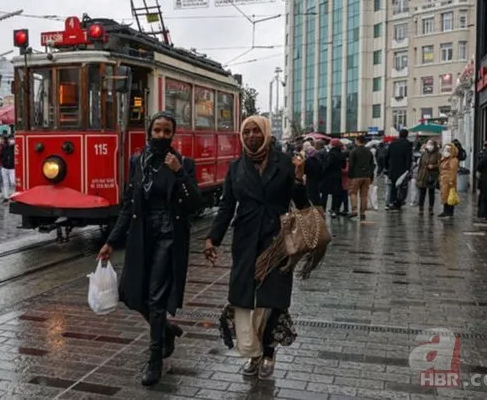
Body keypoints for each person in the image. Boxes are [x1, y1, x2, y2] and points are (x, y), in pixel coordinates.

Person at [97, 111, 202, 386]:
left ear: (173, 134)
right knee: (130, 293)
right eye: (157, 130)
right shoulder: (138, 162)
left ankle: (155, 358)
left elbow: (195, 204)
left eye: (167, 132)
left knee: (156, 299)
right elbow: (129, 204)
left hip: (169, 235)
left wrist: (178, 173)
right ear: (149, 132)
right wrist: (110, 241)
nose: (161, 136)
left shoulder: (182, 163)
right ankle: (166, 330)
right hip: (142, 235)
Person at [204, 115, 308, 381]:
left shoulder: (285, 163)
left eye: (256, 131)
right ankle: (253, 351)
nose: (251, 136)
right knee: (245, 300)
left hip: (276, 241)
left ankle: (269, 352)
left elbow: (303, 205)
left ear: (266, 133)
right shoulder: (236, 167)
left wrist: (298, 179)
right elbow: (227, 207)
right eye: (247, 131)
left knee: (272, 300)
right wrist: (212, 239)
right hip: (246, 241)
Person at [348, 135, 374, 220]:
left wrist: (350, 176)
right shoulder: (369, 152)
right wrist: (371, 176)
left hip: (356, 176)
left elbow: (351, 165)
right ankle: (363, 212)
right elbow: (372, 165)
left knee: (353, 193)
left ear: (357, 140)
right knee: (364, 195)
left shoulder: (354, 151)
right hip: (367, 176)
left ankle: (354, 210)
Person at [385, 129, 413, 209]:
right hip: (403, 170)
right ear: (407, 135)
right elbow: (409, 158)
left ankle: (392, 201)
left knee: (393, 186)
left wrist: (387, 167)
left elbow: (386, 157)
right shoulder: (408, 144)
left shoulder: (392, 144)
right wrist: (408, 169)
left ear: (399, 135)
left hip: (393, 169)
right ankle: (399, 201)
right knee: (403, 187)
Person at [415, 140, 441, 215]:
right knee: (422, 193)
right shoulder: (424, 154)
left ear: (435, 145)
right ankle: (421, 209)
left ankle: (431, 209)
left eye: (431, 144)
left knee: (431, 193)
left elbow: (440, 165)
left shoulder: (438, 154)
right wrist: (418, 176)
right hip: (422, 176)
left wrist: (433, 166)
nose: (429, 145)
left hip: (431, 176)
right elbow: (420, 165)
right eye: (428, 144)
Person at [323, 139, 346, 217]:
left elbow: (327, 165)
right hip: (338, 175)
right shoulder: (341, 154)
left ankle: (324, 209)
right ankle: (335, 209)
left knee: (325, 193)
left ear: (332, 145)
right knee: (336, 193)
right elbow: (344, 166)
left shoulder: (330, 154)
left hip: (329, 176)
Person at [438, 142, 460, 218]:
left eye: (448, 150)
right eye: (445, 150)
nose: (445, 152)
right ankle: (445, 211)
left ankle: (449, 212)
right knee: (444, 195)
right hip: (444, 180)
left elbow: (453, 171)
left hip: (449, 181)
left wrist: (451, 180)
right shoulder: (444, 159)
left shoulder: (453, 160)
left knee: (450, 196)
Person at [0, 136, 16, 202]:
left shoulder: (14, 147)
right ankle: (6, 197)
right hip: (4, 167)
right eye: (10, 139)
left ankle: (14, 194)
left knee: (13, 182)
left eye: (12, 139)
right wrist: (3, 161)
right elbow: (1, 155)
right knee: (5, 183)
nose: (11, 140)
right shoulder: (4, 147)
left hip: (12, 168)